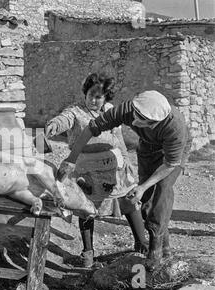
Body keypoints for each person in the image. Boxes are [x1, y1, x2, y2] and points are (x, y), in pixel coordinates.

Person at [60, 90, 191, 270]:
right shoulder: (127, 110)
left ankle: (156, 248)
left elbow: (169, 164)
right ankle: (166, 247)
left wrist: (143, 186)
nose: (135, 121)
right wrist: (71, 160)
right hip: (147, 147)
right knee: (146, 203)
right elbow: (92, 128)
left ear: (155, 121)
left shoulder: (175, 128)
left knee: (162, 188)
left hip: (172, 156)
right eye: (137, 117)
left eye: (145, 122)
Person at [45, 73, 148, 267]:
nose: (93, 100)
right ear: (85, 93)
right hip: (86, 168)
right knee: (86, 207)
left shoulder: (110, 110)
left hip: (113, 165)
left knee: (129, 201)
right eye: (91, 94)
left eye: (98, 96)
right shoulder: (75, 111)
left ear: (105, 98)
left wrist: (126, 160)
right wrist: (53, 125)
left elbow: (118, 138)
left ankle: (142, 244)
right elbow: (63, 120)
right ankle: (88, 253)